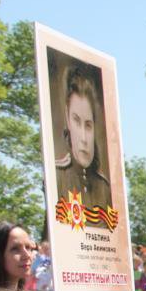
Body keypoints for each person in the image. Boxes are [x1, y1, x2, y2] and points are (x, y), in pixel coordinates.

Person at [54, 65, 112, 212]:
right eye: (76, 121)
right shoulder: (57, 175)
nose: (84, 138)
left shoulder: (104, 187)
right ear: (67, 119)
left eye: (88, 125)